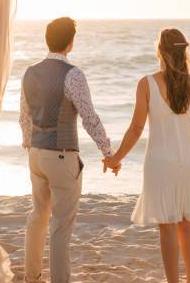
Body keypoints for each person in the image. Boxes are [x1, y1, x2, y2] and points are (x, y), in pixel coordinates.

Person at [103, 28, 190, 283]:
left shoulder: (147, 83)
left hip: (160, 163)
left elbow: (136, 128)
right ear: (184, 51)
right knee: (186, 222)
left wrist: (116, 157)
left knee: (167, 225)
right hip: (187, 161)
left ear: (160, 52)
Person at [19, 17, 120, 283]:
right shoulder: (72, 74)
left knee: (38, 216)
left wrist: (31, 146)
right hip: (62, 156)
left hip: (36, 155)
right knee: (61, 226)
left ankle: (31, 277)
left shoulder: (29, 72)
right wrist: (108, 153)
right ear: (70, 42)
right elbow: (89, 117)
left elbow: (24, 117)